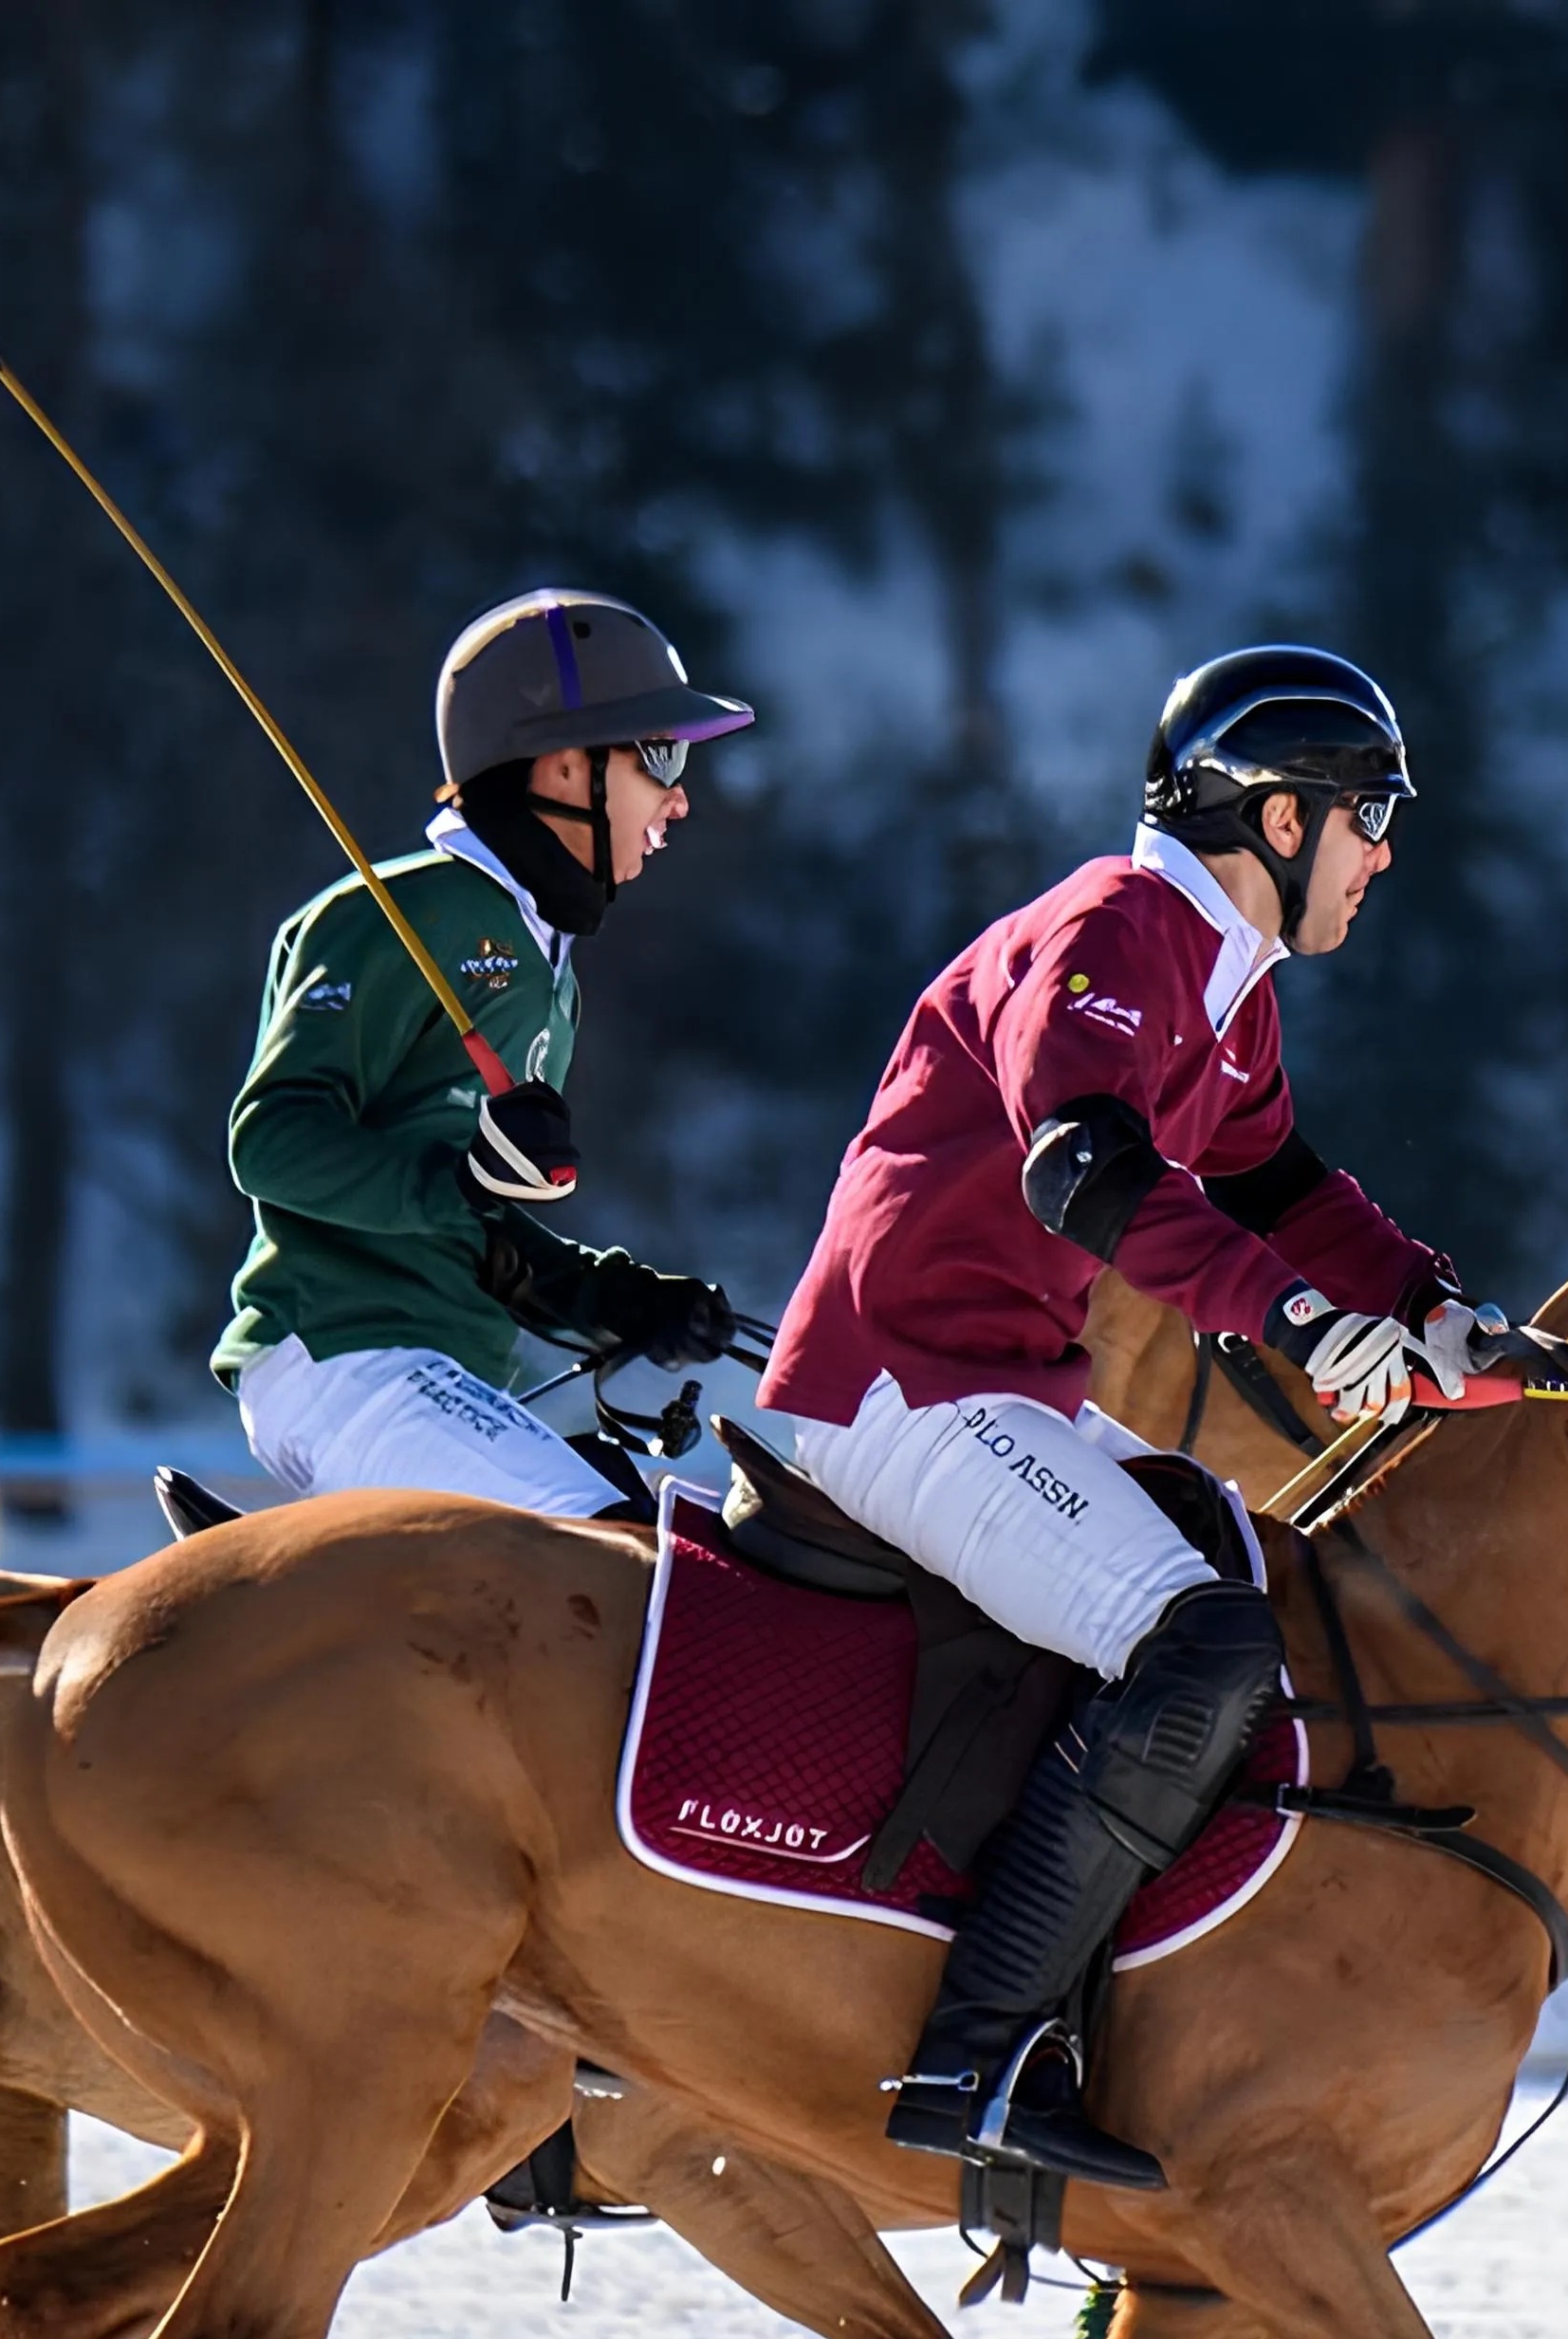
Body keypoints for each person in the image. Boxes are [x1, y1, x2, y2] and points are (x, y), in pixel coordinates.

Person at [756, 643, 1502, 2194]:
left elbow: (1285, 1187)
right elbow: (1081, 1170)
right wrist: (1297, 1321)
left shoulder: (1227, 991)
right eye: (1368, 816)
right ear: (1277, 819)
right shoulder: (1115, 927)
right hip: (901, 1383)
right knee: (1205, 1644)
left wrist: (1439, 1307)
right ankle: (977, 2049)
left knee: (1252, 1575)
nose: (1384, 852)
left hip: (1005, 1387)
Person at [211, 589, 756, 1517]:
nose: (679, 799)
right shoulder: (404, 915)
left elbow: (475, 1235)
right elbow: (268, 1141)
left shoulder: (551, 972)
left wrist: (610, 1296)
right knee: (616, 1555)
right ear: (558, 768)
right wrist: (461, 1181)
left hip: (441, 1362)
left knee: (673, 1539)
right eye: (657, 757)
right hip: (340, 1353)